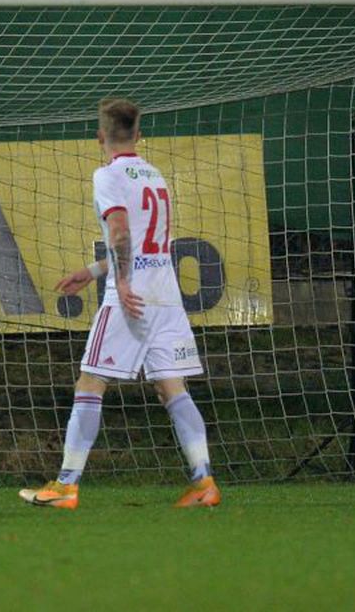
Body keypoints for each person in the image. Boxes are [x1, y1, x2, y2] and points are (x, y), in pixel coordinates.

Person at [19, 98, 220, 509]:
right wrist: (93, 271)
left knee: (90, 382)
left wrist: (122, 281)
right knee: (171, 388)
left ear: (100, 136)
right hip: (166, 295)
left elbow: (121, 230)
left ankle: (65, 486)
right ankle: (204, 483)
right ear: (139, 134)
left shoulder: (107, 175)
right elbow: (149, 243)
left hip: (132, 298)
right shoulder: (155, 176)